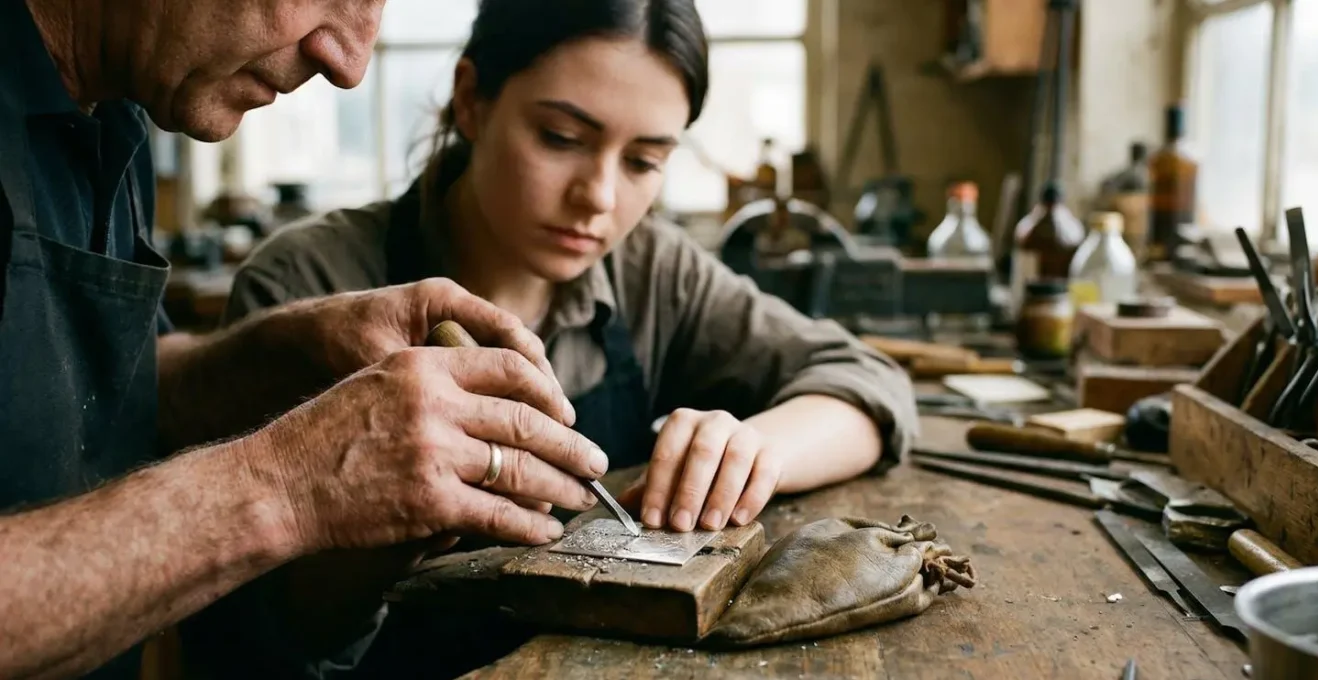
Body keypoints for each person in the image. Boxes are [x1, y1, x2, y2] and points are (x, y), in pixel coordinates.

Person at [222, 0, 919, 671]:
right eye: (561, 138)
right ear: (471, 100)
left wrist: (758, 450)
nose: (600, 198)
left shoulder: (652, 270)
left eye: (643, 161)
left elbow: (868, 383)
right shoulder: (305, 286)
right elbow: (264, 636)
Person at [0, 0, 609, 678]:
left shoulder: (113, 109)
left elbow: (99, 400)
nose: (348, 64)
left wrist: (283, 354)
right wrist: (286, 486)